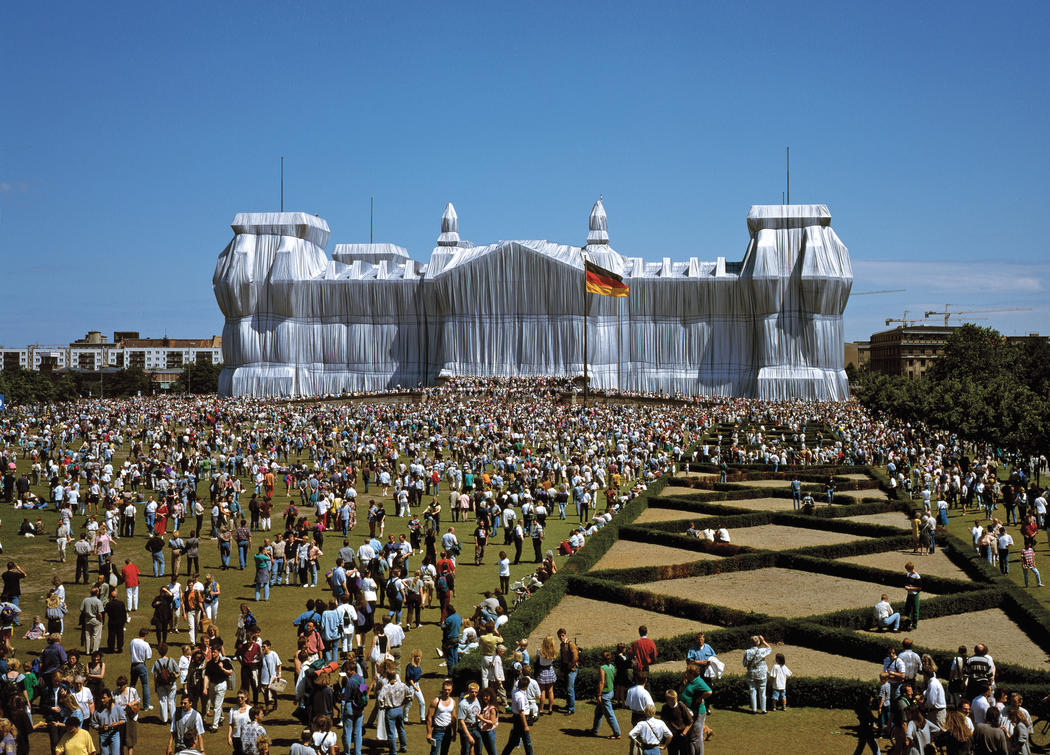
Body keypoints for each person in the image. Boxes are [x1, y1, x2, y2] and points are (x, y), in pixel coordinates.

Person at [589, 649, 620, 739]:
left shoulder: (602, 668)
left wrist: (599, 694)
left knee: (609, 714)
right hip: (610, 691)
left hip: (605, 694)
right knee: (598, 712)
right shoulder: (612, 667)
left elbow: (601, 682)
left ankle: (617, 733)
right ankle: (594, 729)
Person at [499, 676, 533, 755]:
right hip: (521, 719)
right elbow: (521, 712)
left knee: (513, 740)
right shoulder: (520, 697)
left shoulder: (515, 691)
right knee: (527, 741)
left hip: (516, 718)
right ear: (526, 686)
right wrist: (525, 726)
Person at [426, 678, 457, 755]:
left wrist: (454, 733)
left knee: (445, 752)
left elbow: (453, 718)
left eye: (449, 690)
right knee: (434, 752)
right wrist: (429, 733)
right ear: (442, 689)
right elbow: (429, 718)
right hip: (438, 730)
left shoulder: (453, 702)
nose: (447, 691)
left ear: (451, 689)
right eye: (445, 689)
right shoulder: (436, 701)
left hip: (448, 730)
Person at [743, 635, 772, 713]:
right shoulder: (762, 651)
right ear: (758, 643)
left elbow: (744, 664)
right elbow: (770, 648)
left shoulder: (747, 652)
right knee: (762, 691)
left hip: (752, 672)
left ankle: (754, 709)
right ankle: (763, 709)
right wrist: (764, 641)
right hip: (762, 673)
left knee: (752, 691)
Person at [660, 690, 692, 755]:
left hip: (682, 735)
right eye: (671, 700)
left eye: (675, 699)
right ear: (667, 700)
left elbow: (690, 721)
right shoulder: (665, 707)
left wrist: (684, 733)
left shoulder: (681, 706)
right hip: (671, 736)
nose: (674, 701)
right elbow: (662, 723)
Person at [557, 628, 579, 715]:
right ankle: (568, 704)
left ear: (565, 635)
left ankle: (571, 708)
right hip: (565, 668)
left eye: (562, 635)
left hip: (571, 668)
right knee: (567, 688)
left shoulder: (570, 644)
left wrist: (571, 665)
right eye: (559, 636)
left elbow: (575, 656)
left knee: (570, 688)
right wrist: (561, 670)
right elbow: (562, 658)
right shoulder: (562, 644)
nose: (561, 637)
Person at [456, 682, 482, 755]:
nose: (474, 694)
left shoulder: (478, 700)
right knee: (466, 751)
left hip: (476, 727)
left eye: (476, 692)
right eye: (472, 692)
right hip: (467, 728)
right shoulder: (463, 704)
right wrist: (468, 736)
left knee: (479, 750)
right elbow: (461, 721)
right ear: (468, 692)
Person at [904, 562, 922, 629]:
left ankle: (914, 625)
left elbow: (919, 587)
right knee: (907, 610)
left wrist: (910, 588)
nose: (906, 571)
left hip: (915, 595)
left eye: (907, 569)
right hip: (909, 594)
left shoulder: (917, 576)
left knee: (915, 610)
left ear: (910, 569)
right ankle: (907, 624)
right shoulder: (908, 574)